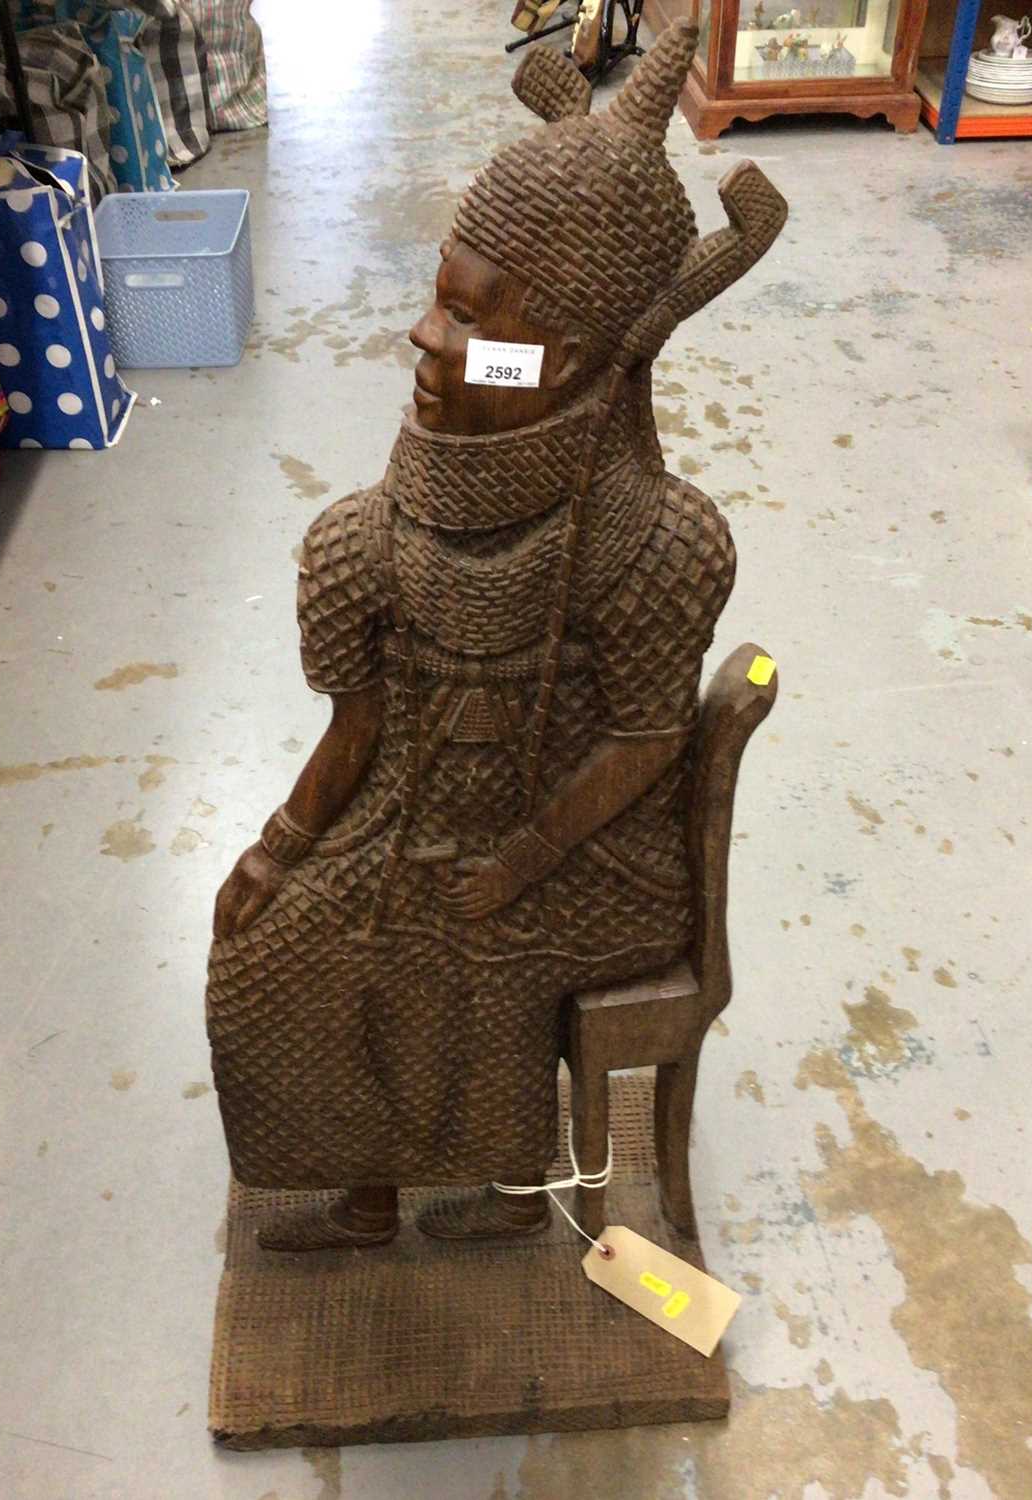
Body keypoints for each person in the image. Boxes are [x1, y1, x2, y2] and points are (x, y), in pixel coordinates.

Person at [206, 22, 786, 1251]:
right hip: (425, 806)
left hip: (588, 851)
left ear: (562, 361)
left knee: (444, 944)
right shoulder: (374, 531)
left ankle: (503, 1182)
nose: (426, 337)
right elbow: (361, 725)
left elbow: (644, 739)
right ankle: (371, 1189)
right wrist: (280, 845)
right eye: (439, 298)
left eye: (470, 320)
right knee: (271, 951)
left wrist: (525, 854)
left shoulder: (659, 540)